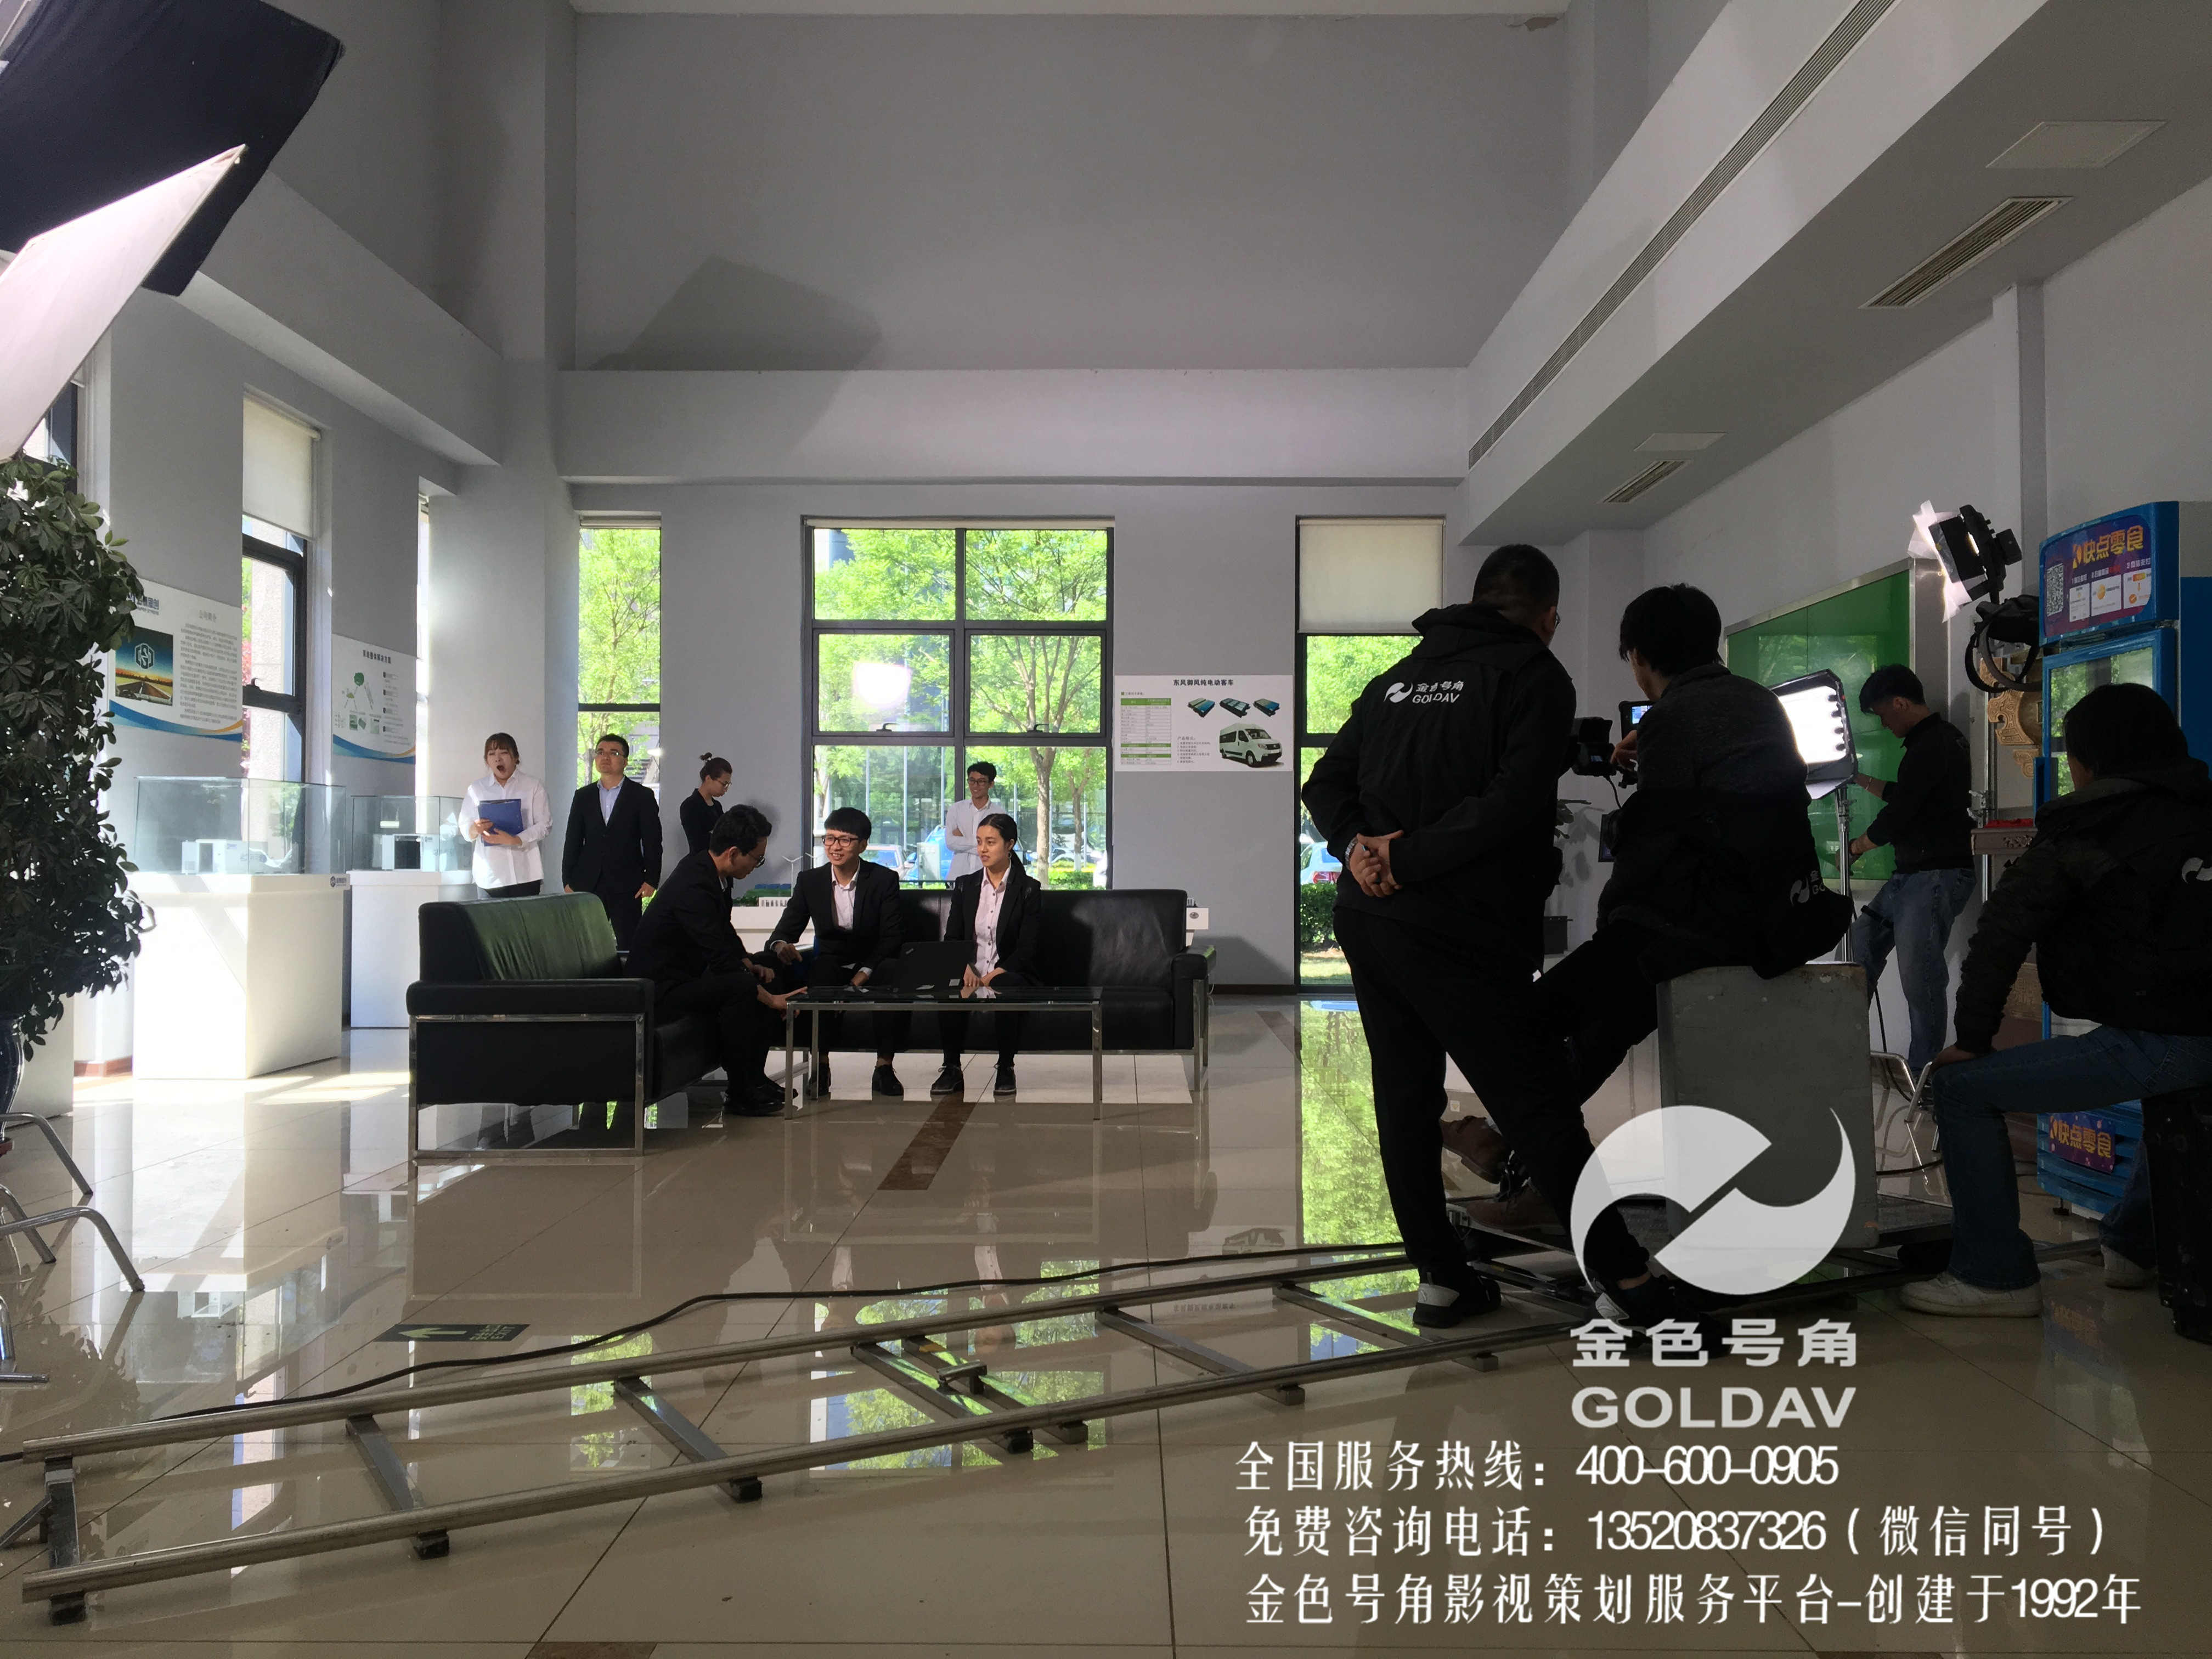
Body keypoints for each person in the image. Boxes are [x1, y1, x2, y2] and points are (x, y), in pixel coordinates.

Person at [1458, 584, 1848, 1324]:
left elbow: (1663, 841)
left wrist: (1612, 919)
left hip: (1698, 924)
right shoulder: (1757, 702)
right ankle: (1531, 1170)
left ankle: (1525, 1159)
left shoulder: (1674, 717)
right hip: (1776, 916)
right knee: (1608, 1022)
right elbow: (1725, 801)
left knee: (1532, 1018)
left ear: (1638, 659)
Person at [1300, 544, 1576, 1328]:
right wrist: (1408, 858)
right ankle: (1627, 1282)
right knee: (1533, 1100)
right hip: (1463, 922)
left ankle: (1441, 1278)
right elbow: (1513, 800)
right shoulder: (1535, 674)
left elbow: (1324, 783)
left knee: (1404, 1096)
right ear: (1548, 617)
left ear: (1478, 600)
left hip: (1370, 919)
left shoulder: (1398, 677)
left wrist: (1361, 850)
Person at [1904, 684, 2212, 1318]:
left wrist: (1972, 1040)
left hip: (2165, 1036)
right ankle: (2133, 1244)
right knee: (2177, 1092)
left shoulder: (2087, 827)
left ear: (2088, 761)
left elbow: (2000, 936)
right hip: (2192, 1038)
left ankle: (1994, 1276)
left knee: (1962, 1090)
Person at [1846, 664, 1976, 1079]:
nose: (1884, 725)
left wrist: (1858, 847)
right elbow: (1906, 794)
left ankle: (1925, 1076)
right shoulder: (1930, 745)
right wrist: (1858, 778)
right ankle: (1841, 1048)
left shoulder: (1935, 744)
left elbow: (1902, 812)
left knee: (1920, 977)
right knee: (1861, 943)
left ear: (1900, 703)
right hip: (1912, 875)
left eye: (1883, 714)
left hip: (1936, 874)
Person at [628, 804, 791, 1117]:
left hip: (688, 977)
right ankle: (741, 1091)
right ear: (733, 853)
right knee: (741, 987)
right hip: (660, 989)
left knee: (766, 967)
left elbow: (723, 931)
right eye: (757, 859)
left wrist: (749, 962)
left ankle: (755, 1078)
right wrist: (770, 1000)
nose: (757, 865)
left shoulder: (713, 872)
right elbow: (717, 954)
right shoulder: (694, 884)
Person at [769, 805, 909, 1098]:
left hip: (874, 958)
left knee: (891, 975)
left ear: (863, 845)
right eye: (830, 838)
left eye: (845, 840)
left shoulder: (883, 879)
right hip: (832, 958)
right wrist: (780, 945)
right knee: (819, 977)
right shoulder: (810, 881)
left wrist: (864, 972)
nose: (835, 847)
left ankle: (884, 1067)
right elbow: (785, 931)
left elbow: (892, 936)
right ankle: (821, 1066)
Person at [932, 811, 1043, 1099]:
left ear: (1010, 845)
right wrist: (965, 966)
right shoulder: (965, 885)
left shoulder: (1028, 889)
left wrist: (995, 973)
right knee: (950, 986)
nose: (982, 849)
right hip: (970, 969)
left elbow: (1028, 947)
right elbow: (953, 938)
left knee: (1007, 986)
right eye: (980, 841)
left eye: (991, 842)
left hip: (1008, 970)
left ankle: (1005, 1066)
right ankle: (951, 1067)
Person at [562, 732, 663, 952]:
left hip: (628, 882)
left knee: (629, 943)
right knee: (586, 945)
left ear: (625, 761)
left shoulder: (642, 796)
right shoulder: (583, 796)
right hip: (588, 881)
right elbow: (573, 840)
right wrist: (567, 879)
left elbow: (653, 841)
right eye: (600, 752)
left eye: (613, 753)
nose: (605, 757)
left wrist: (652, 879)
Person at [459, 731, 552, 898]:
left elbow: (545, 824)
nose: (498, 759)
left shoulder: (533, 786)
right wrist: (474, 829)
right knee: (488, 917)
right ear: (487, 761)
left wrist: (516, 840)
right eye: (492, 754)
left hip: (526, 874)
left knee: (527, 916)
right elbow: (465, 828)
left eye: (504, 753)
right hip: (489, 876)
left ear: (516, 757)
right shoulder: (476, 789)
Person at [944, 761, 998, 881]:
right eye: (972, 781)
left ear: (991, 784)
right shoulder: (956, 809)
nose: (975, 786)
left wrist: (963, 841)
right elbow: (950, 843)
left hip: (987, 879)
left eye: (981, 781)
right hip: (958, 877)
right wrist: (983, 843)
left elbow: (997, 849)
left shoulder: (999, 814)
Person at [681, 754, 732, 855]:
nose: (726, 789)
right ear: (708, 779)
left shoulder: (717, 806)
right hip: (701, 860)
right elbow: (698, 843)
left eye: (728, 785)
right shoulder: (690, 805)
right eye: (724, 784)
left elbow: (728, 835)